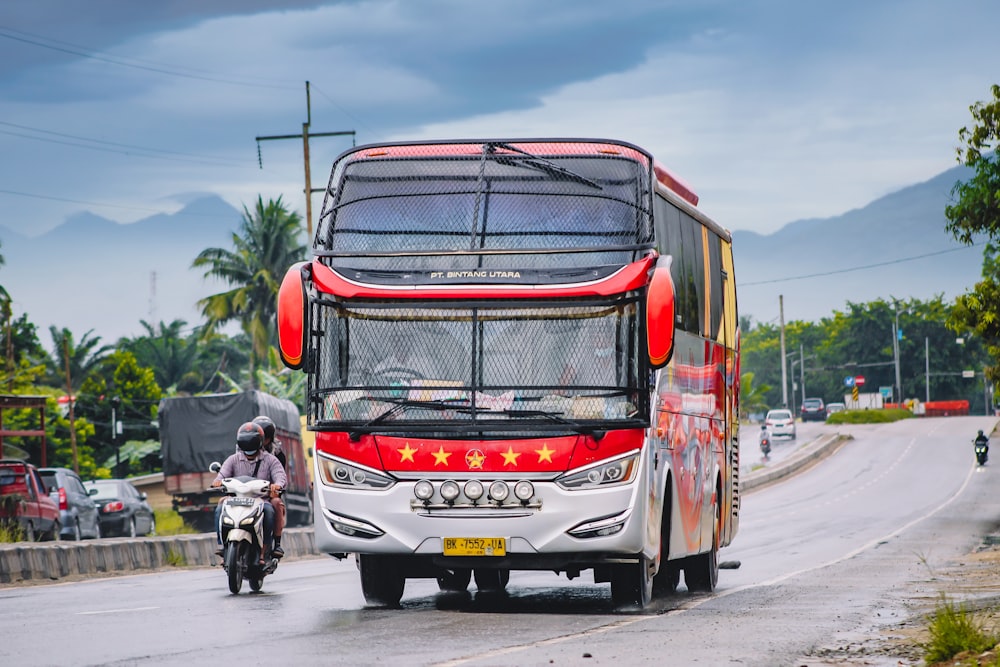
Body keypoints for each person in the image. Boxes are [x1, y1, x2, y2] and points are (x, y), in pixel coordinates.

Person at [212, 422, 287, 559]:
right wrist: (218, 482)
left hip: (261, 500)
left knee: (270, 510)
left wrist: (277, 485)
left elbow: (280, 477)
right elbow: (222, 475)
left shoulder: (270, 460)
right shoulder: (233, 460)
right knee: (221, 505)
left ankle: (269, 546)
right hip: (236, 500)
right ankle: (221, 544)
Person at [252, 415, 287, 555]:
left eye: (264, 437)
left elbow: (280, 475)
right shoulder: (242, 449)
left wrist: (276, 487)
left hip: (267, 492)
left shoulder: (276, 454)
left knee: (277, 504)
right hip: (246, 491)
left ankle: (277, 543)